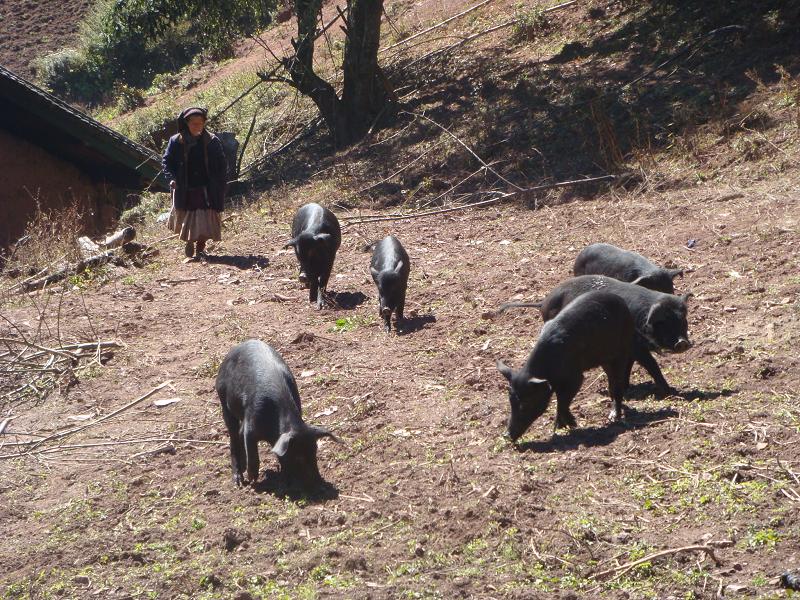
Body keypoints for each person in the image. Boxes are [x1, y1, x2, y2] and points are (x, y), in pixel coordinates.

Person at [162, 107, 228, 259]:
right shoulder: (176, 141)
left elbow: (222, 163)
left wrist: (220, 183)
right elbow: (167, 161)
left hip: (206, 187)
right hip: (185, 186)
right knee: (187, 217)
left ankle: (200, 247)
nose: (197, 127)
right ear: (187, 123)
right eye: (193, 123)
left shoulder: (212, 141)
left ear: (204, 123)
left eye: (200, 123)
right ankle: (189, 240)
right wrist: (171, 178)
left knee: (205, 218)